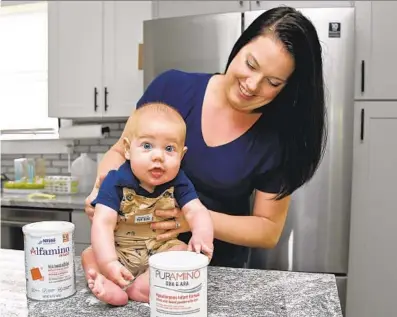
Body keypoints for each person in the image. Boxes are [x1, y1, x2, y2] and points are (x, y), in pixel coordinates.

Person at [84, 5, 326, 277]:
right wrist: (101, 189)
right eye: (250, 64)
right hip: (130, 259)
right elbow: (120, 151)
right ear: (239, 47)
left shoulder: (276, 138)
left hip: (218, 272)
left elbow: (268, 230)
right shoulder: (171, 88)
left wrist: (193, 219)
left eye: (272, 81)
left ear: (287, 87)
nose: (253, 85)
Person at [84, 102, 214, 306]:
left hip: (160, 250)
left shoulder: (179, 181)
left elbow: (196, 210)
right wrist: (109, 262)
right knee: (90, 254)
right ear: (127, 149)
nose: (158, 156)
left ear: (182, 155)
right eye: (147, 146)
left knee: (181, 251)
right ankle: (111, 283)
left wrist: (202, 235)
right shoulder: (115, 181)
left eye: (169, 149)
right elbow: (103, 223)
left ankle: (141, 287)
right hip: (120, 252)